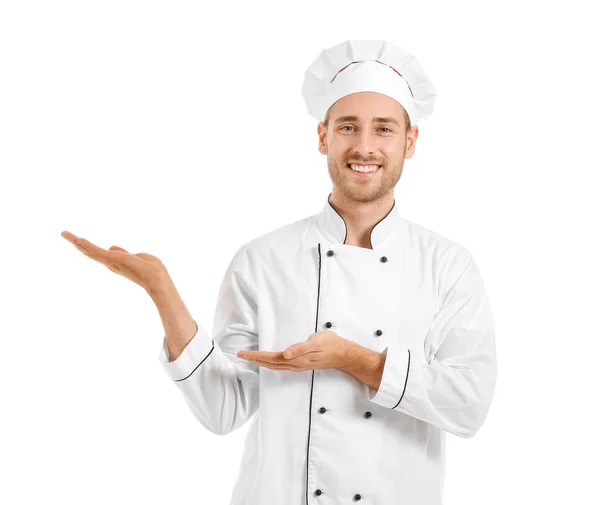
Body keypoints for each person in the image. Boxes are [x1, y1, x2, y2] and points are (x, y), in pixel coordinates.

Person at [61, 39, 497, 505]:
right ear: (323, 137)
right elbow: (223, 409)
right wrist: (162, 292)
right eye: (348, 127)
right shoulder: (263, 259)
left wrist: (353, 358)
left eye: (384, 129)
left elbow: (469, 405)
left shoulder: (447, 266)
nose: (365, 146)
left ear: (409, 141)